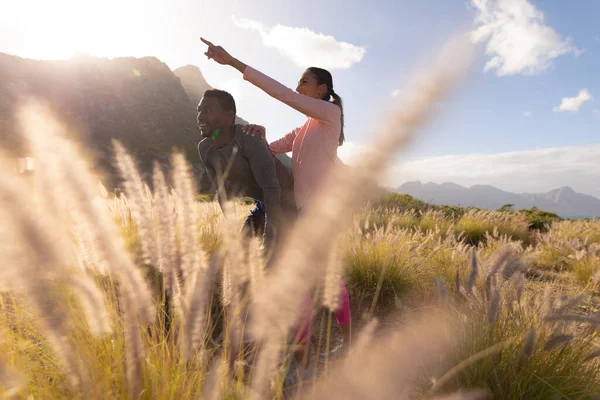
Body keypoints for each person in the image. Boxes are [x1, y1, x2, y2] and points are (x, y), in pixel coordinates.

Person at [200, 38, 352, 371]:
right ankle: (322, 347)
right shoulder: (306, 127)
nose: (299, 87)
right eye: (298, 82)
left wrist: (234, 63)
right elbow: (272, 149)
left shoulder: (330, 114)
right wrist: (261, 136)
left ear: (322, 89)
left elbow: (282, 94)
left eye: (304, 82)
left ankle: (318, 351)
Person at [196, 88, 296, 252]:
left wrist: (269, 241)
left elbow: (272, 189)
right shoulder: (205, 148)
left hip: (291, 201)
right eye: (199, 111)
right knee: (240, 256)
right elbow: (222, 193)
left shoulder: (249, 138)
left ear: (229, 117)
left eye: (207, 111)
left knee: (277, 259)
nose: (200, 117)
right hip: (264, 206)